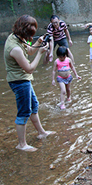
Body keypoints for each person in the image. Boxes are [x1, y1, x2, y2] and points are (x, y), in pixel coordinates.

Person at [5, 15, 55, 151]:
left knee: (34, 106)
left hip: (24, 79)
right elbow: (30, 68)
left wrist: (38, 43)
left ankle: (41, 133)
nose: (30, 38)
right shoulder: (14, 48)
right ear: (24, 31)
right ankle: (21, 145)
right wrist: (40, 53)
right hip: (19, 81)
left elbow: (29, 51)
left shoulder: (16, 37)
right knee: (24, 111)